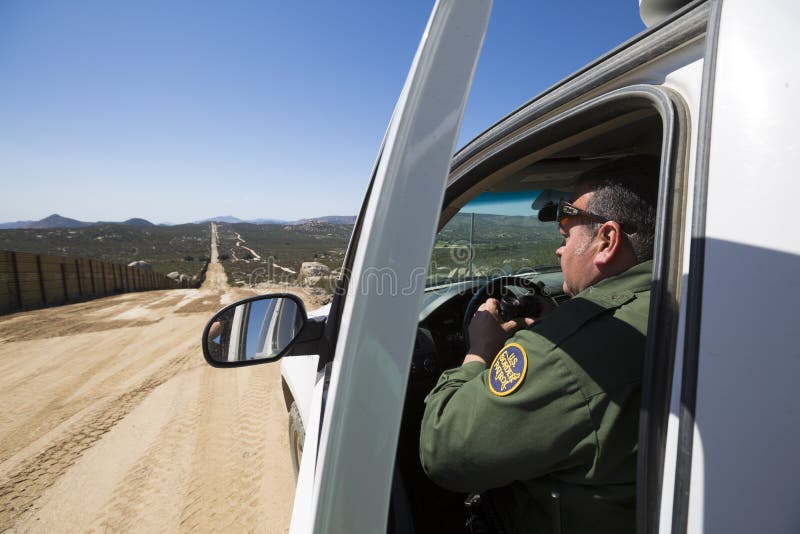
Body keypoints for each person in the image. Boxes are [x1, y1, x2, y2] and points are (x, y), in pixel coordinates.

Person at [419, 155, 659, 534]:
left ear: (606, 241)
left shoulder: (564, 354)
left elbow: (444, 451)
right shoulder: (677, 301)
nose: (558, 252)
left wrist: (478, 351)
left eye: (566, 237)